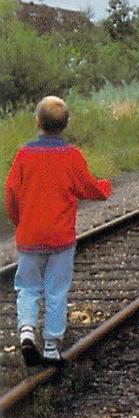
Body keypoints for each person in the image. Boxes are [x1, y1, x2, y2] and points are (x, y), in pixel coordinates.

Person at [4, 96, 111, 366]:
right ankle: (51, 347)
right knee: (56, 290)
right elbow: (88, 186)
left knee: (27, 288)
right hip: (61, 239)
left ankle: (27, 331)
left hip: (29, 237)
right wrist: (105, 188)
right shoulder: (71, 156)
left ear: (37, 121)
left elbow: (11, 193)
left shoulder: (24, 155)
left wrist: (20, 222)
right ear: (66, 124)